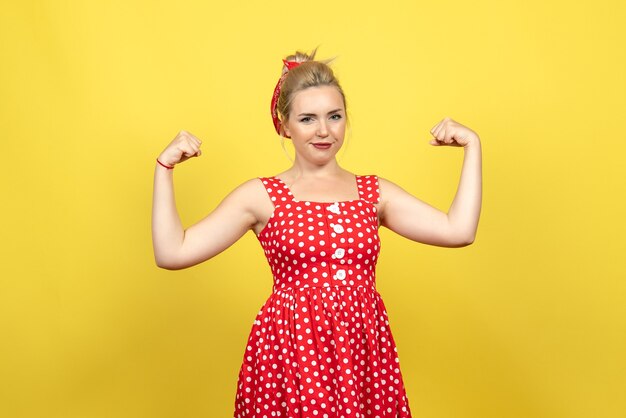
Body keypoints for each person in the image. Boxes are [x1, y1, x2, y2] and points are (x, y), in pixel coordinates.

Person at [152, 47, 482, 417]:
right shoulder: (261, 196)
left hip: (362, 359)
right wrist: (164, 168)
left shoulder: (374, 193)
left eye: (334, 116)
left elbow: (459, 230)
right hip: (290, 354)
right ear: (284, 125)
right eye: (307, 118)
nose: (324, 130)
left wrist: (472, 146)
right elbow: (172, 253)